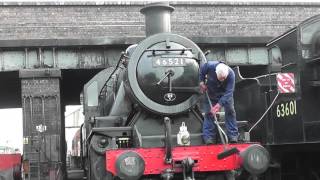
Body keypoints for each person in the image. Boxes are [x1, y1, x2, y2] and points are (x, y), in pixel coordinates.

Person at [199, 61, 239, 144]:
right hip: (211, 92)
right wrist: (202, 82)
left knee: (230, 111)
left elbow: (229, 93)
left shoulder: (231, 74)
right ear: (215, 72)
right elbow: (202, 71)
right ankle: (209, 138)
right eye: (221, 78)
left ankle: (233, 136)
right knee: (209, 113)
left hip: (225, 94)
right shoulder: (209, 66)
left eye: (224, 78)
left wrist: (218, 105)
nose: (223, 80)